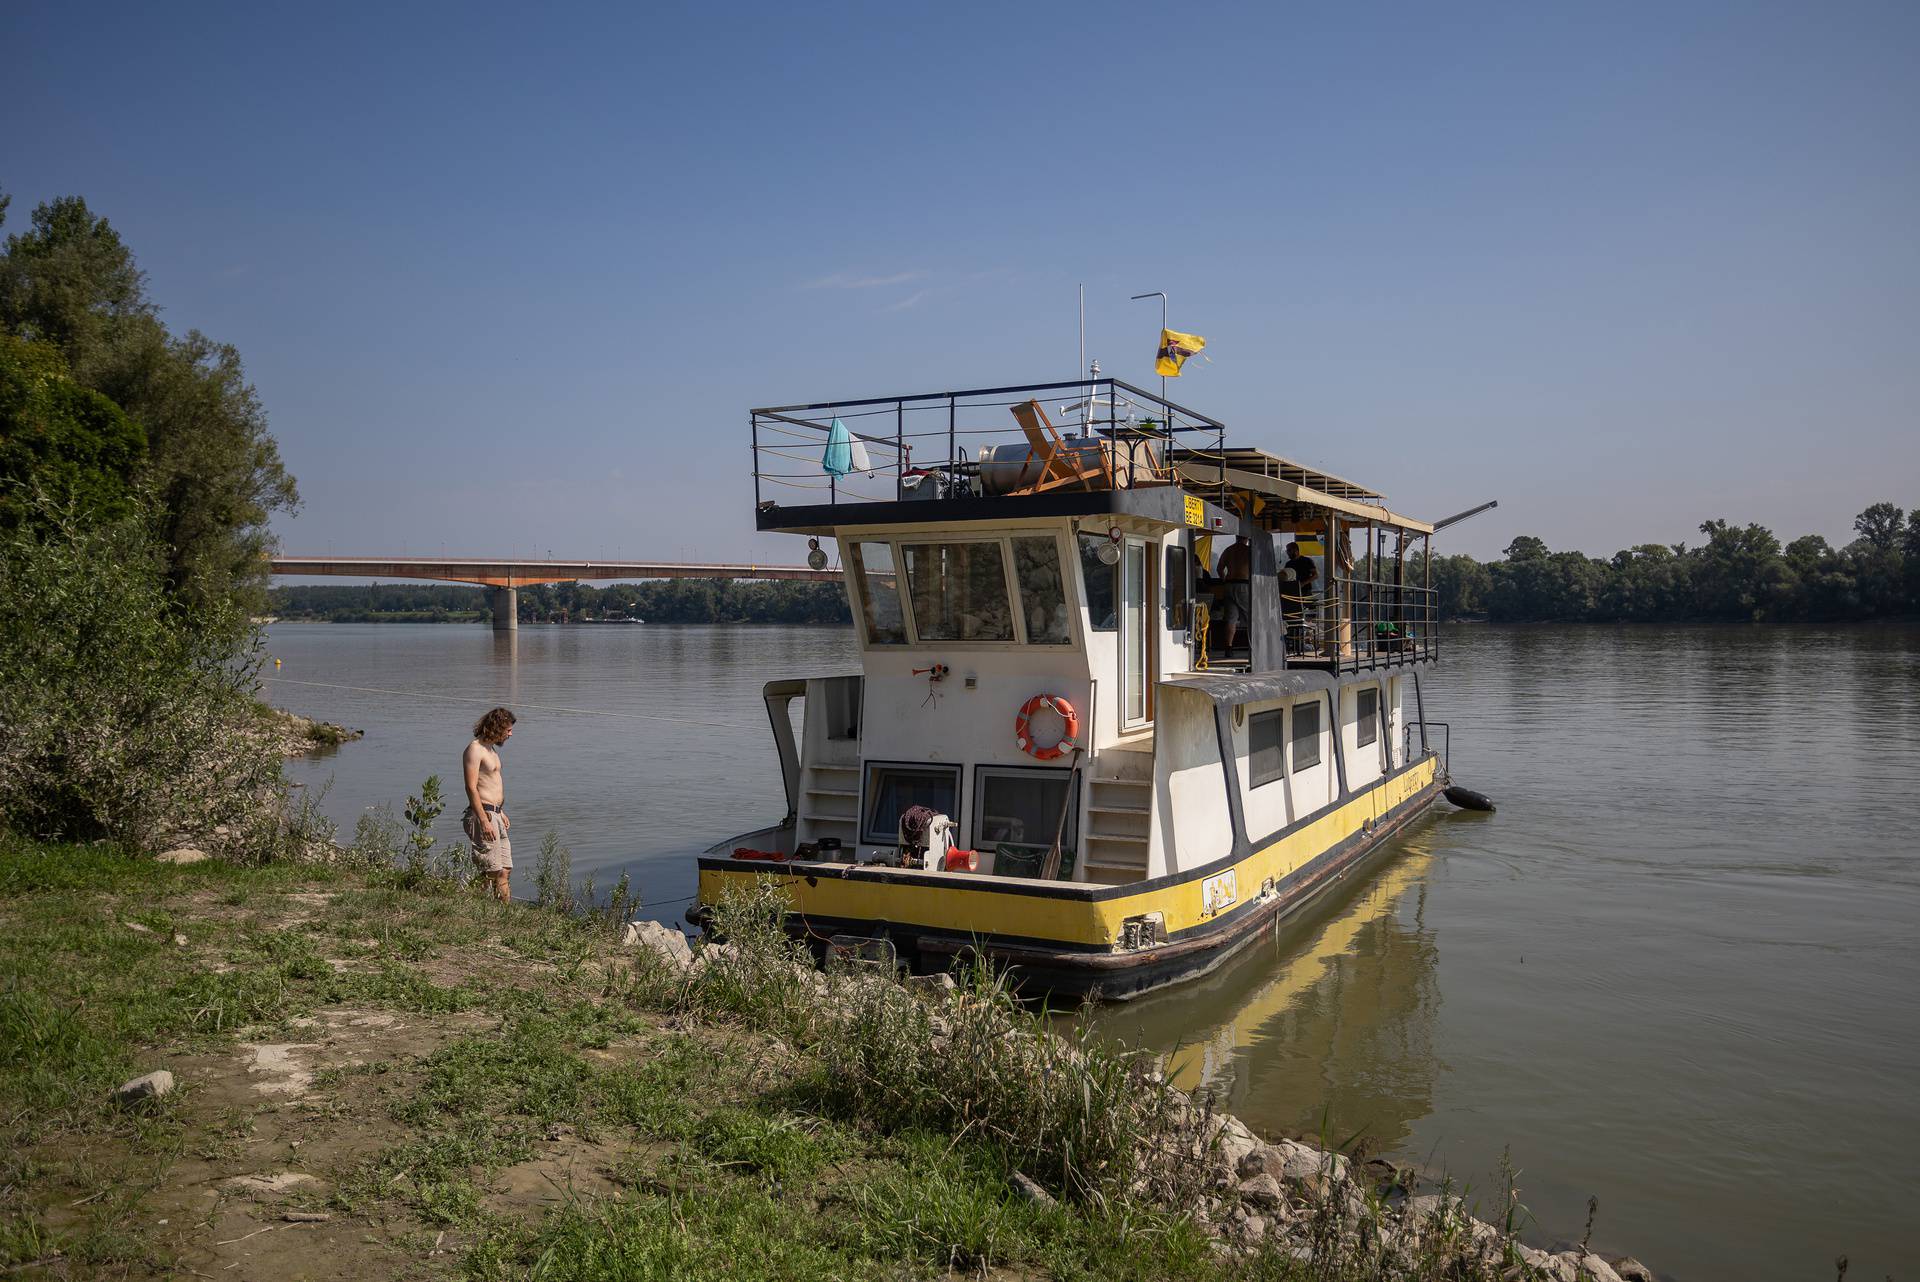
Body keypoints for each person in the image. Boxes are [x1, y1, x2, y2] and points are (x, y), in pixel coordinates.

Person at [462, 707, 517, 903]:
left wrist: (500, 812)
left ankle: (505, 915)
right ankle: (465, 901)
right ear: (497, 726)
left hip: (495, 814)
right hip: (482, 815)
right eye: (508, 729)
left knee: (505, 870)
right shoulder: (474, 749)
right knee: (492, 870)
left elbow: (492, 783)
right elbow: (471, 787)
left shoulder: (491, 751)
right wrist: (484, 820)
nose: (510, 734)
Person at [1282, 541, 1318, 653]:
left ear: (1295, 550)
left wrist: (1303, 583)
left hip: (1306, 592)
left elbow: (1316, 575)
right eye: (1287, 551)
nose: (1287, 553)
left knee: (1310, 616)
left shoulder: (1307, 561)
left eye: (1289, 550)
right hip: (1293, 594)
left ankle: (1308, 640)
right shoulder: (1288, 565)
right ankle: (1296, 642)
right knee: (1293, 617)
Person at [1217, 534, 1251, 649]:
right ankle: (1254, 645)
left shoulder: (1228, 550)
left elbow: (1219, 568)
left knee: (1231, 619)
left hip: (1229, 585)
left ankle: (1229, 647)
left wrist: (1224, 580)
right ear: (1246, 539)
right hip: (1243, 585)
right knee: (1250, 617)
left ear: (1236, 538)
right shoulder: (1249, 551)